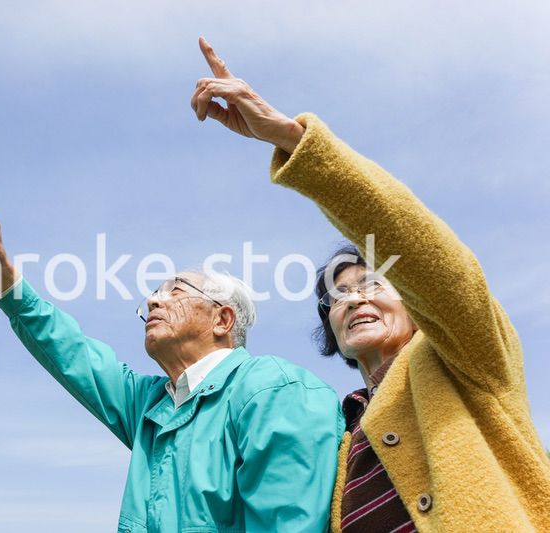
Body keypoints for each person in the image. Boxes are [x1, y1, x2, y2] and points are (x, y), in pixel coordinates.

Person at [191, 37, 550, 531]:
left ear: (416, 298)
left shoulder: (467, 357)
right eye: (336, 295)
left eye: (374, 282)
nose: (354, 296)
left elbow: (429, 257)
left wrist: (294, 142)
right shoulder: (344, 435)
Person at [0, 182, 343, 532]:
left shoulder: (275, 390)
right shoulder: (152, 405)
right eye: (154, 294)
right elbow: (69, 350)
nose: (154, 299)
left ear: (222, 319)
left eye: (177, 290)